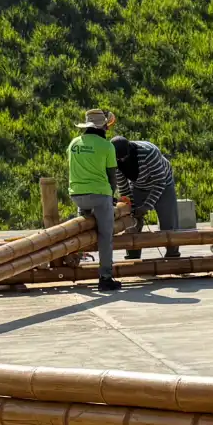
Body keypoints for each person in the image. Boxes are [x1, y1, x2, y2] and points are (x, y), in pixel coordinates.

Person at [67, 107, 124, 293]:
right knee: (105, 236)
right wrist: (111, 196)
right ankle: (105, 277)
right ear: (102, 127)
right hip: (99, 196)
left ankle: (75, 262)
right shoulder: (107, 146)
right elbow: (112, 177)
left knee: (81, 230)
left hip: (76, 195)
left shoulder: (74, 144)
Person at [112, 134, 181, 261]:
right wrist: (131, 207)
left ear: (130, 151)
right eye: (118, 159)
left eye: (124, 158)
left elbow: (160, 182)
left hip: (163, 184)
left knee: (168, 222)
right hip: (138, 186)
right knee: (131, 221)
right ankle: (133, 255)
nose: (121, 161)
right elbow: (123, 187)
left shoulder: (149, 152)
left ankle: (173, 255)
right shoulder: (113, 158)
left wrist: (146, 206)